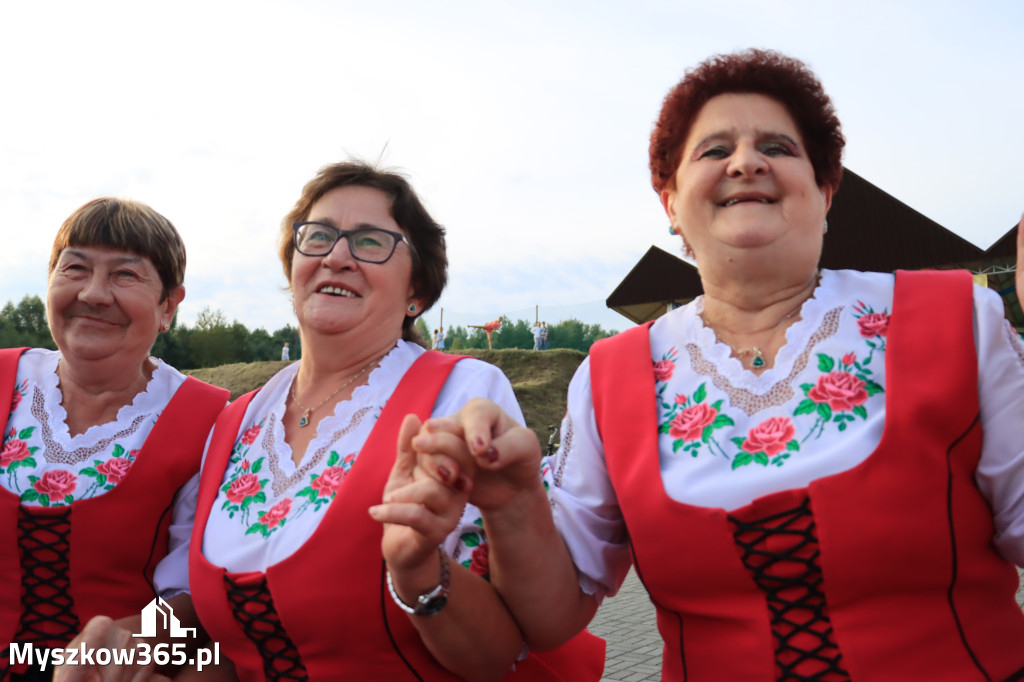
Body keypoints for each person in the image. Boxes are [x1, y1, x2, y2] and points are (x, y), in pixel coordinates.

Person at [411, 49, 1024, 681]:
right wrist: (514, 506)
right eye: (713, 150)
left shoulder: (959, 321)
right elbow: (553, 615)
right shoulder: (612, 376)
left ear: (826, 189)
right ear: (670, 203)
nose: (746, 161)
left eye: (779, 147)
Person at [187, 161, 603, 680]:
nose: (336, 256)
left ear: (418, 293)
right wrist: (125, 648)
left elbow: (497, 653)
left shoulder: (460, 393)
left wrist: (418, 572)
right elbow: (212, 639)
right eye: (317, 237)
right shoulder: (233, 423)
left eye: (369, 242)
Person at [0, 198, 228, 680]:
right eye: (75, 268)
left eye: (125, 275)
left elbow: (201, 599)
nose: (94, 293)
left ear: (169, 306)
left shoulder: (211, 422)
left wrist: (124, 651)